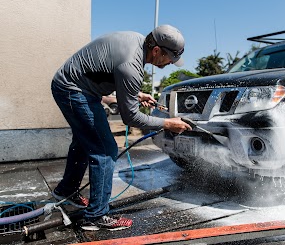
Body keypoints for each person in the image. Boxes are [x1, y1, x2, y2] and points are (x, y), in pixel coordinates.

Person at [51, 25, 192, 231]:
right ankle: (96, 215)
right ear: (156, 51)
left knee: (85, 140)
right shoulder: (132, 66)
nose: (170, 63)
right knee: (105, 150)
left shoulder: (136, 41)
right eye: (170, 57)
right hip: (73, 90)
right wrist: (168, 123)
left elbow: (109, 71)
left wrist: (135, 93)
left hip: (72, 84)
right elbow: (130, 117)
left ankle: (66, 190)